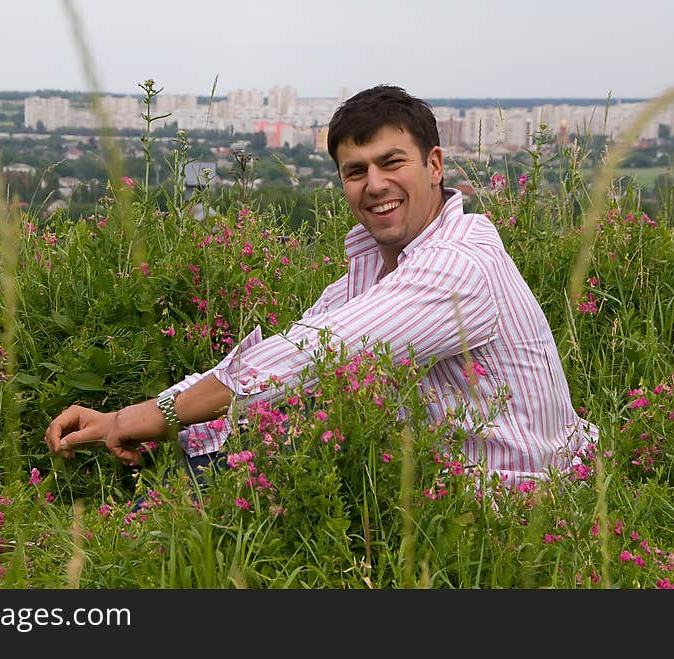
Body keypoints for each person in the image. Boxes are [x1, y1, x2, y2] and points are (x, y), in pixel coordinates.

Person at [44, 84, 598, 491]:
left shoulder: (455, 268)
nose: (374, 184)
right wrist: (138, 420)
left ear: (434, 165)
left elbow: (302, 361)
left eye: (391, 162)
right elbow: (279, 353)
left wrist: (138, 418)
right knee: (240, 452)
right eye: (355, 170)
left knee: (224, 489)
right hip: (441, 480)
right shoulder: (377, 268)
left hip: (511, 507)